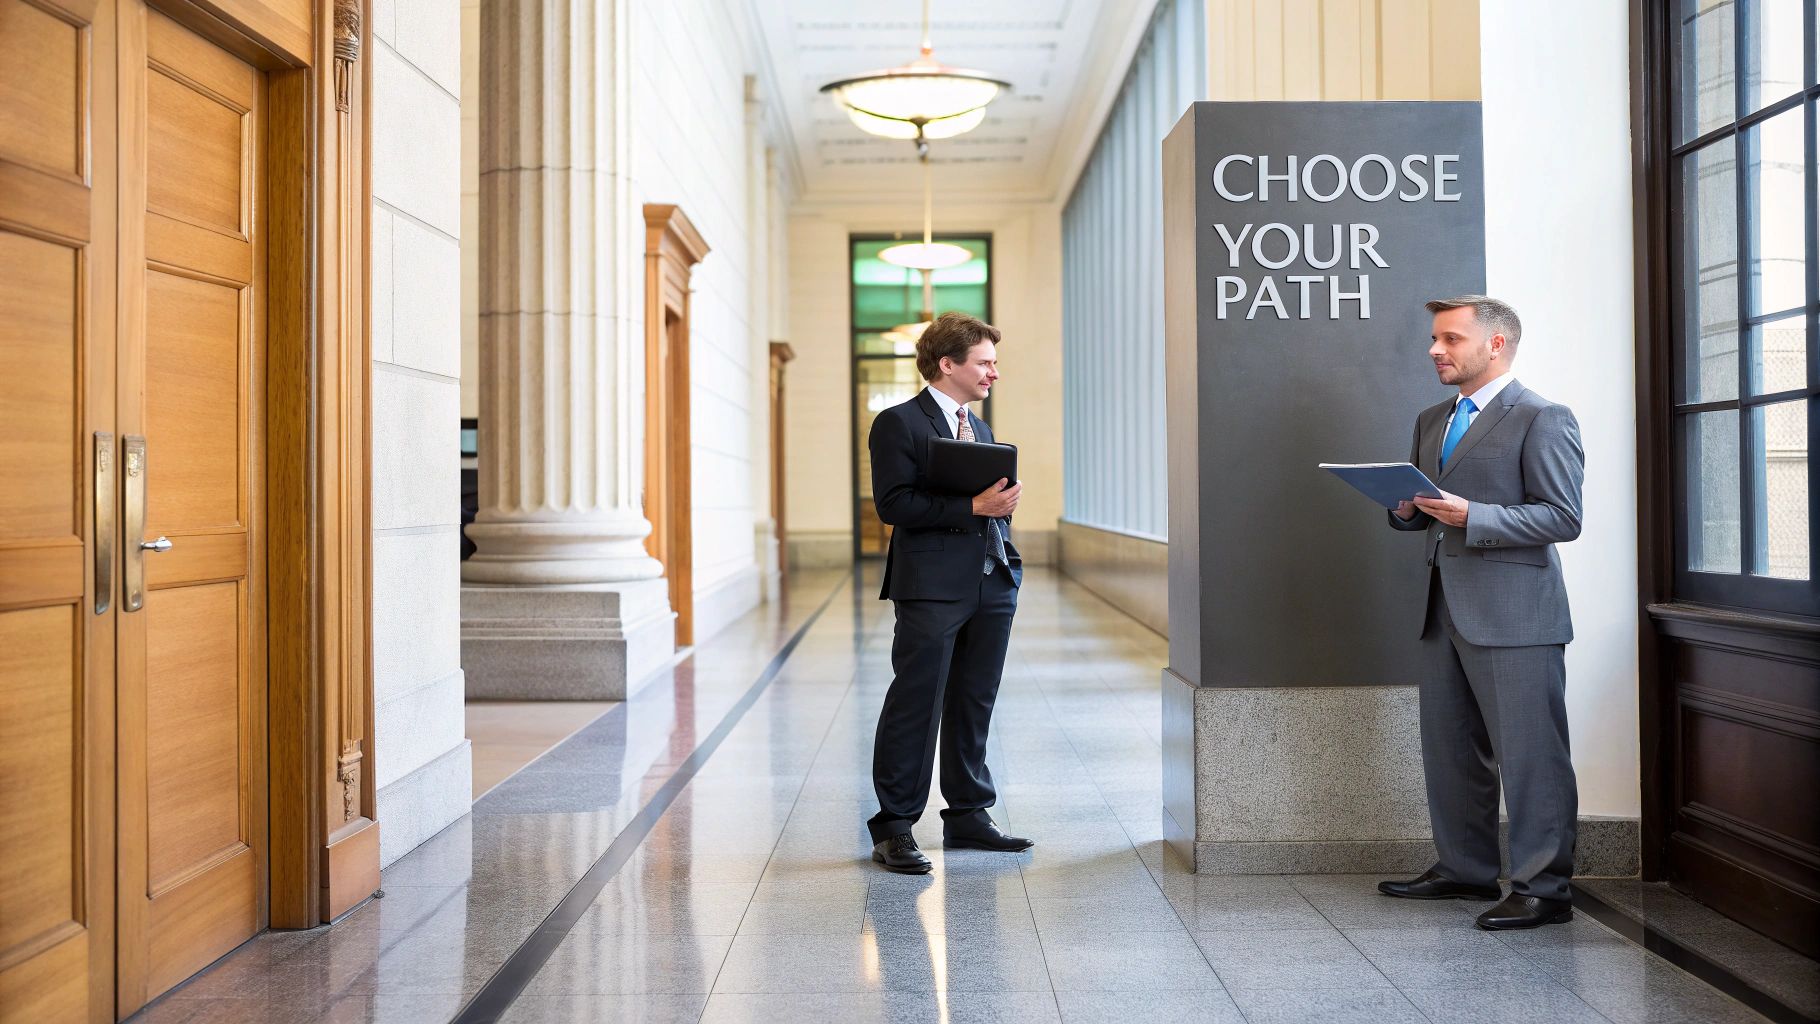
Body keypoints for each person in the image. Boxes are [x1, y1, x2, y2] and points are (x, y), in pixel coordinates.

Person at [1378, 295, 1585, 930]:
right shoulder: (1432, 418)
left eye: (1449, 339)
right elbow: (1418, 514)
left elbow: (1562, 517)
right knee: (1451, 749)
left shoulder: (1543, 417)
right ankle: (1465, 870)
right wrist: (1403, 509)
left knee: (1531, 755)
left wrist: (1476, 517)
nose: (1435, 351)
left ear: (1495, 344)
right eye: (1435, 340)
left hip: (1516, 614)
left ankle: (1544, 890)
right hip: (1444, 610)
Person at [865, 311, 1031, 874]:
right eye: (985, 363)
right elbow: (893, 505)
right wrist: (973, 507)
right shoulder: (898, 424)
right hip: (932, 587)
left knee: (973, 700)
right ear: (948, 364)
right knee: (918, 701)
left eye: (994, 363)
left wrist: (1000, 510)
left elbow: (986, 503)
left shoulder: (979, 428)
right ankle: (894, 826)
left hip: (992, 582)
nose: (994, 374)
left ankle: (967, 815)